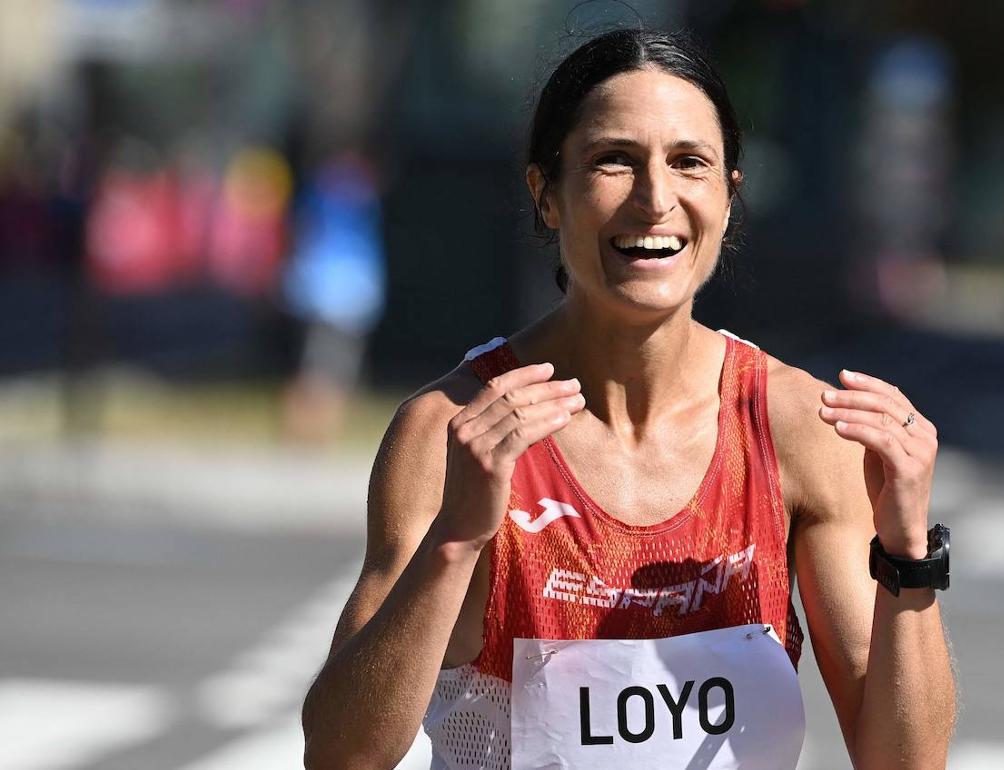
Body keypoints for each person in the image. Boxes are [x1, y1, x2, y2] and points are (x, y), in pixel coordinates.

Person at [302, 28, 956, 770]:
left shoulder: (795, 429)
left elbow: (904, 763)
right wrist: (456, 542)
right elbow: (340, 758)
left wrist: (908, 555)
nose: (654, 200)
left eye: (689, 163)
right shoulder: (453, 431)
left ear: (729, 197)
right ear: (546, 195)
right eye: (613, 160)